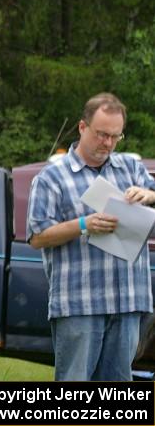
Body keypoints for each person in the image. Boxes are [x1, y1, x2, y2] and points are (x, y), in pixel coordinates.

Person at [27, 93, 155, 381]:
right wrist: (84, 224)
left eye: (115, 137)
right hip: (79, 304)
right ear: (82, 127)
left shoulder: (132, 169)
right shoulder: (51, 177)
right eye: (101, 135)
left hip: (129, 301)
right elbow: (37, 237)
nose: (107, 143)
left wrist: (150, 195)